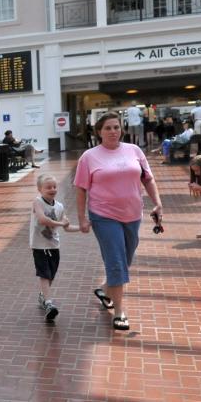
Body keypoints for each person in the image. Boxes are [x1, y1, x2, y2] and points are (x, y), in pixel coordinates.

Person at [74, 111, 163, 332]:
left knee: (125, 259)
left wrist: (158, 203)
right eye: (108, 128)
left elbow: (148, 179)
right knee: (115, 260)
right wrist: (82, 218)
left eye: (116, 127)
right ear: (99, 132)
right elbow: (81, 189)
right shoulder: (89, 157)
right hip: (103, 215)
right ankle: (120, 311)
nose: (113, 131)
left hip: (132, 214)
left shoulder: (134, 150)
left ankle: (105, 289)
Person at [30, 174, 78, 323]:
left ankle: (43, 296)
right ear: (40, 189)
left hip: (54, 246)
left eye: (54, 187)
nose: (52, 189)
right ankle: (49, 304)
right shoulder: (37, 202)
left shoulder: (59, 207)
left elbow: (67, 227)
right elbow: (43, 219)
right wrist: (61, 224)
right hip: (39, 245)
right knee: (44, 273)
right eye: (48, 187)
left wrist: (83, 227)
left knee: (51, 274)